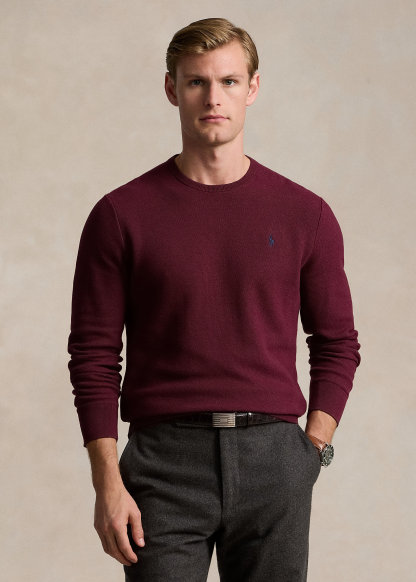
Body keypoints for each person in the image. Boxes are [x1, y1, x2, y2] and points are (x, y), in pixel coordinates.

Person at [67, 17, 361, 582]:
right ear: (172, 89)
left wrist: (311, 451)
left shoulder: (306, 214)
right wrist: (107, 482)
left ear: (253, 88)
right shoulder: (120, 215)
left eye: (229, 81)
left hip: (274, 459)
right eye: (197, 81)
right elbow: (94, 355)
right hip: (162, 465)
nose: (213, 97)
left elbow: (337, 343)